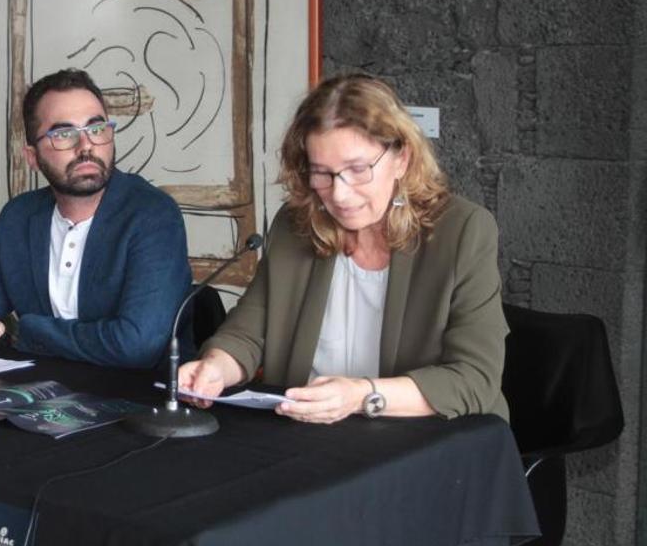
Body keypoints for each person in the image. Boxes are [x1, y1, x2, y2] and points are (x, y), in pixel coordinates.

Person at [179, 74, 508, 422]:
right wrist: (215, 368)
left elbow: (475, 379)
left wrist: (361, 395)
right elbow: (248, 333)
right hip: (308, 434)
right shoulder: (295, 226)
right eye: (322, 173)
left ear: (401, 159)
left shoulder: (464, 231)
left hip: (427, 442)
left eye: (358, 169)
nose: (339, 193)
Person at [0, 68, 191, 368]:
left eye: (97, 129)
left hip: (138, 400)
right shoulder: (19, 217)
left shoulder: (152, 215)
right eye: (63, 134)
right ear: (32, 157)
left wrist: (26, 329)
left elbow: (137, 344)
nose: (86, 146)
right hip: (41, 398)